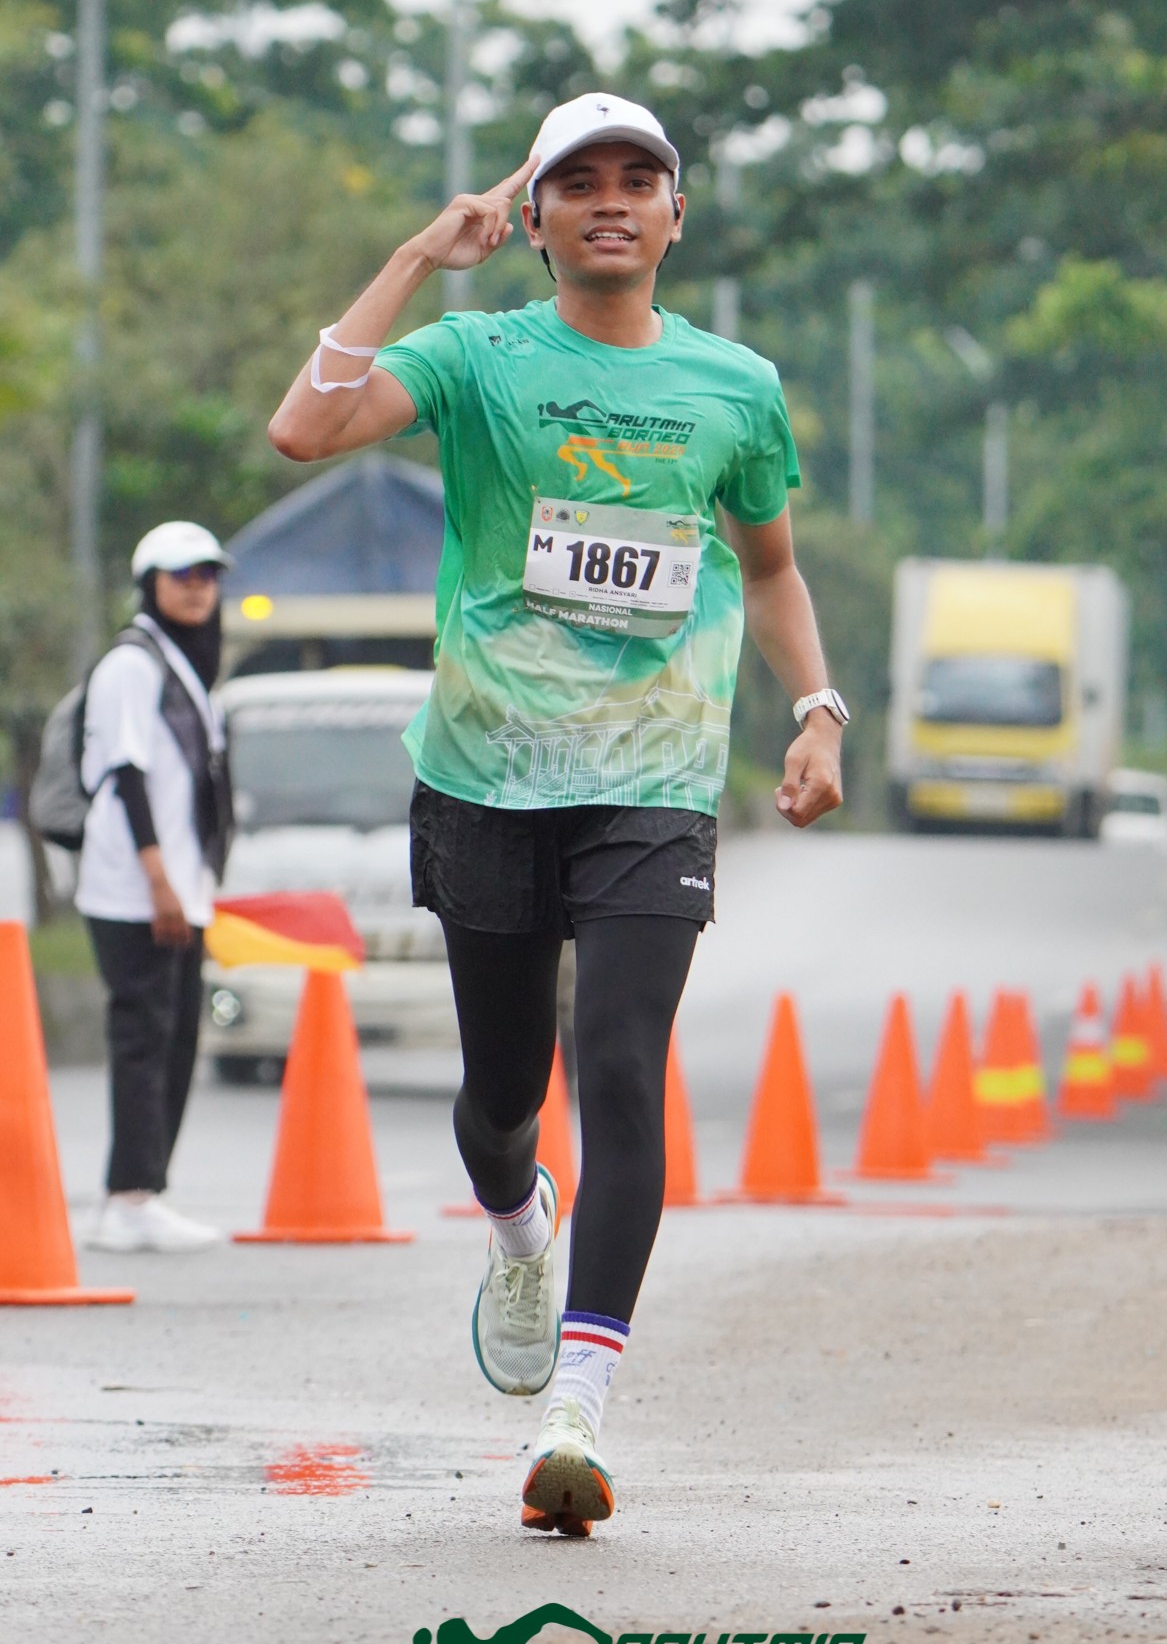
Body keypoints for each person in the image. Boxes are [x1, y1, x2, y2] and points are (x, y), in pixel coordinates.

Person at [268, 92, 847, 1533]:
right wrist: (417, 259)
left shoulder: (734, 385)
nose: (610, 200)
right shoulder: (474, 356)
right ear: (533, 220)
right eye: (578, 181)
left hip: (653, 775)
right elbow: (302, 429)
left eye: (638, 179)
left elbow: (769, 566)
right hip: (486, 772)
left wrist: (818, 707)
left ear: (674, 216)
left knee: (624, 1068)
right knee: (501, 1095)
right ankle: (518, 1227)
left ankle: (578, 1408)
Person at [79, 521, 234, 1251]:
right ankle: (126, 1199)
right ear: (150, 584)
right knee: (144, 1039)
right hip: (135, 889)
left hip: (178, 888)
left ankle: (144, 1193)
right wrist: (158, 880)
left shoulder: (186, 665)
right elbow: (127, 775)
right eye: (182, 575)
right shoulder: (130, 665)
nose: (197, 588)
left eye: (208, 575)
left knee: (175, 1040)